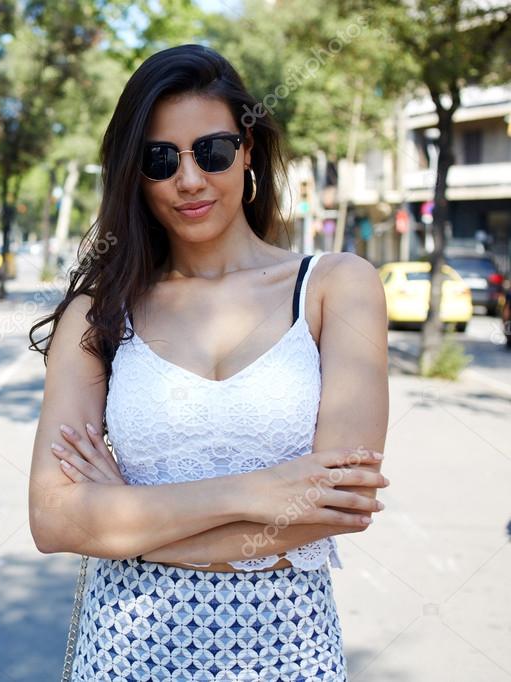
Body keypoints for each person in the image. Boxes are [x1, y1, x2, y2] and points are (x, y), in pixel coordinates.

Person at [27, 44, 390, 680]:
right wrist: (255, 492)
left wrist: (128, 520)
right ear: (134, 174)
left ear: (249, 150)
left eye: (213, 151)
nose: (189, 179)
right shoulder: (101, 313)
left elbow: (340, 504)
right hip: (125, 655)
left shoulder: (337, 286)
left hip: (289, 658)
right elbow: (55, 518)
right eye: (160, 159)